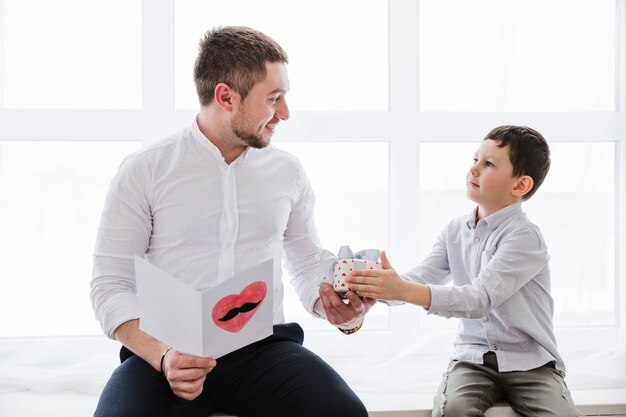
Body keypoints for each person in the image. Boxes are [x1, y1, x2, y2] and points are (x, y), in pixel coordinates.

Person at [90, 26, 373, 417]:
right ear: (226, 96)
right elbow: (111, 284)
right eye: (274, 99)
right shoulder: (144, 170)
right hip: (166, 354)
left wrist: (340, 311)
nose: (285, 114)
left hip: (263, 351)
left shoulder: (287, 172)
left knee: (343, 413)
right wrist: (164, 356)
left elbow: (307, 265)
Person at [348, 126, 580, 417]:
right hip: (472, 362)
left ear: (520, 186)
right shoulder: (455, 231)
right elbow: (418, 280)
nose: (473, 169)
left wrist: (401, 289)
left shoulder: (524, 237)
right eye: (475, 160)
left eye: (489, 164)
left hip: (531, 363)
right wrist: (378, 285)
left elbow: (478, 298)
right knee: (452, 412)